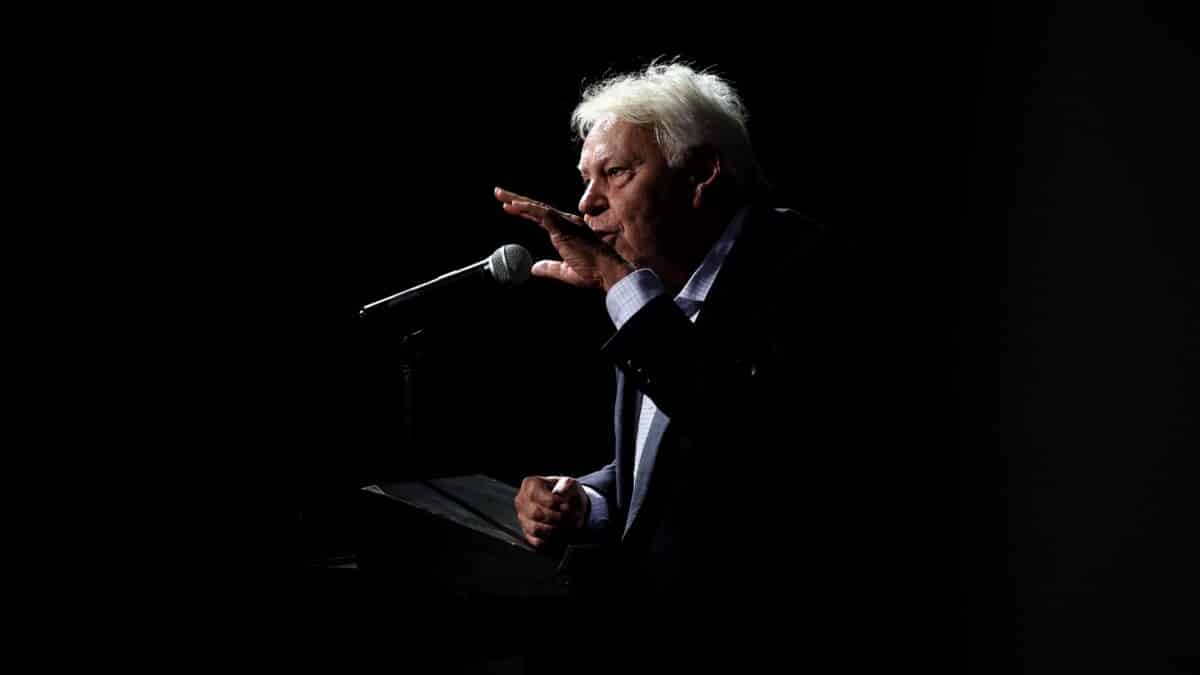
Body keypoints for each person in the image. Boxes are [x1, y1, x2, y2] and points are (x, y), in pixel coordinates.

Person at [498, 61, 886, 626]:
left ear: (701, 171)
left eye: (616, 173)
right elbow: (677, 460)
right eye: (585, 178)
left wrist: (624, 291)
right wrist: (586, 502)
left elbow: (753, 440)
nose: (586, 203)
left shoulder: (808, 269)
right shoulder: (658, 289)